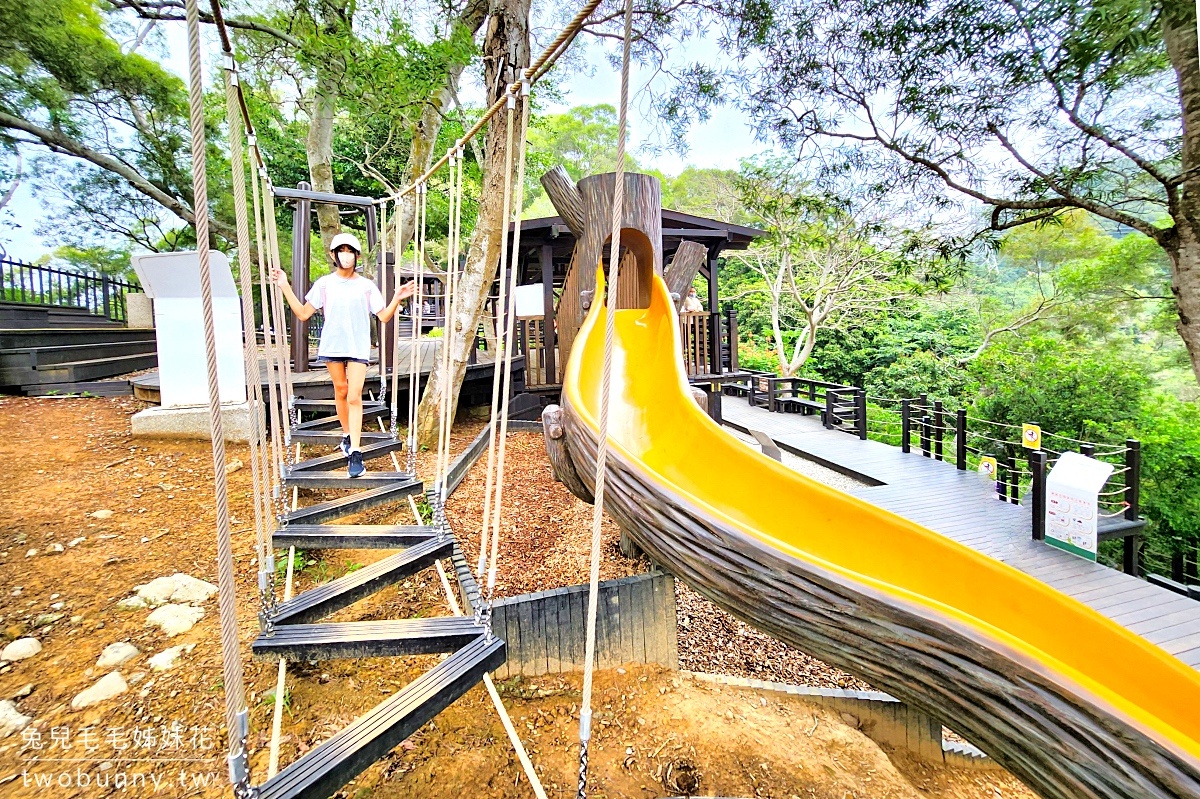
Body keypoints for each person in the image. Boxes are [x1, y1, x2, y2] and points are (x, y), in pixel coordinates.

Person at [272, 233, 415, 477]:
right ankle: (348, 434)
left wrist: (397, 298)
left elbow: (383, 316)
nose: (345, 255)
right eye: (341, 250)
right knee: (341, 390)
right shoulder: (324, 284)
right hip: (333, 346)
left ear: (356, 256)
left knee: (354, 395)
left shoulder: (367, 285)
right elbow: (303, 313)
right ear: (333, 254)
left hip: (358, 347)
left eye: (350, 251)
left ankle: (356, 452)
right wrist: (284, 284)